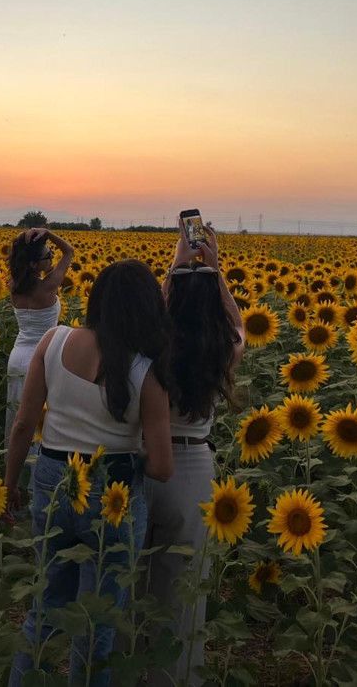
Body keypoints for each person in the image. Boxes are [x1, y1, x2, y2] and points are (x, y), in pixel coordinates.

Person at [5, 259, 174, 687]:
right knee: (97, 623)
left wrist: (9, 484)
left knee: (44, 610)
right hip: (113, 494)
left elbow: (24, 424)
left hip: (53, 480)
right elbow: (162, 467)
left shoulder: (53, 340)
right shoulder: (147, 373)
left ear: (96, 299)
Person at [143, 225, 245, 687]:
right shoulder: (223, 347)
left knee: (136, 579)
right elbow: (237, 322)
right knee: (183, 587)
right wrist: (215, 271)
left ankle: (132, 672)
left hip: (144, 462)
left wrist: (177, 268)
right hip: (193, 468)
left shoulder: (153, 348)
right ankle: (178, 676)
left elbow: (155, 314)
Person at [5, 228, 74, 444]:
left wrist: (29, 242)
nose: (52, 256)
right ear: (34, 265)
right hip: (44, 358)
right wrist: (48, 233)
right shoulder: (49, 286)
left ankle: (14, 461)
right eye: (47, 255)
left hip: (17, 357)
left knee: (18, 415)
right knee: (40, 420)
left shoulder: (14, 286)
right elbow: (69, 252)